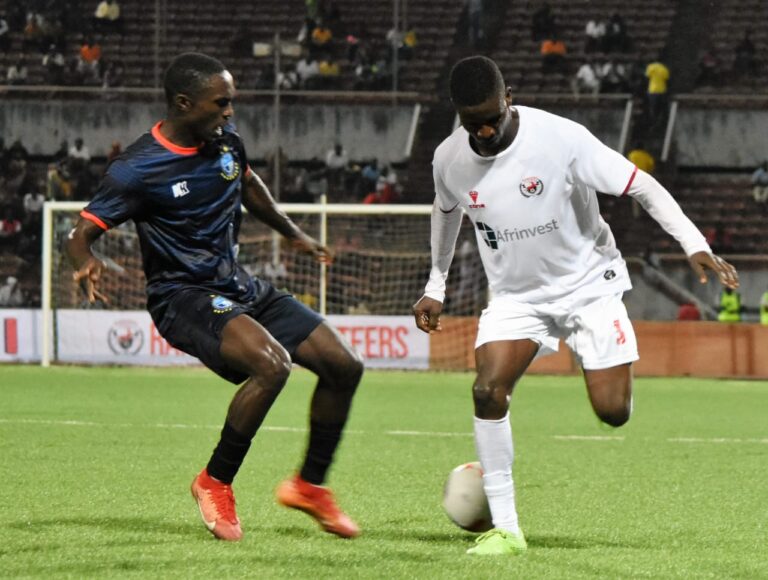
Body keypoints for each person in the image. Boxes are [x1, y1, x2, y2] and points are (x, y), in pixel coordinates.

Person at [412, 56, 739, 556]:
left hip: (589, 284)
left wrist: (692, 242)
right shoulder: (449, 159)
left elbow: (642, 185)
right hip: (517, 297)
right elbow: (445, 212)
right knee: (486, 389)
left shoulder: (561, 139)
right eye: (470, 121)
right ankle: (507, 529)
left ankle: (608, 356)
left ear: (509, 98)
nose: (482, 130)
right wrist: (436, 282)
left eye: (491, 118)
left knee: (613, 413)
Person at [65, 53, 364, 542]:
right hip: (182, 297)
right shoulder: (137, 169)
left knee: (344, 365)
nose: (229, 113)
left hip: (237, 284)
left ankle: (309, 486)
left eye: (232, 103)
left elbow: (246, 182)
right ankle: (214, 481)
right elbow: (80, 231)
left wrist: (291, 233)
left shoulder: (226, 142)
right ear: (185, 104)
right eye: (220, 103)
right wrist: (82, 260)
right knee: (272, 365)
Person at [645, 58, 669, 124]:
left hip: (652, 90)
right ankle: (660, 121)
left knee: (653, 107)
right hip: (662, 90)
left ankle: (652, 121)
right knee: (661, 107)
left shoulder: (650, 67)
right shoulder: (664, 68)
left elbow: (647, 78)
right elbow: (667, 80)